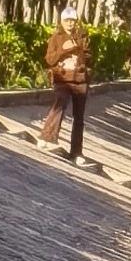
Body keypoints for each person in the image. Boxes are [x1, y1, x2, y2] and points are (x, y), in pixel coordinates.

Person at [39, 16, 92, 158]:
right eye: (67, 20)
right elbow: (50, 60)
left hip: (80, 80)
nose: (70, 23)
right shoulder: (56, 38)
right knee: (59, 105)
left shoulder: (82, 37)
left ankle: (76, 152)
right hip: (63, 79)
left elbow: (89, 57)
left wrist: (82, 60)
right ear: (61, 22)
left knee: (79, 117)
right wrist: (64, 50)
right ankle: (47, 137)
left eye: (72, 20)